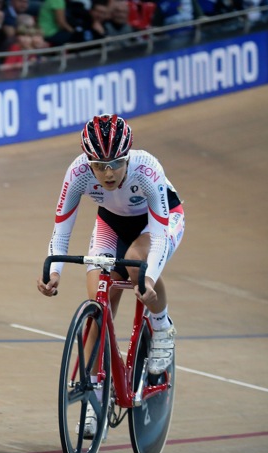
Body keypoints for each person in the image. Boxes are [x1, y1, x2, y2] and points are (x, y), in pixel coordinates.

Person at [36, 114, 185, 436]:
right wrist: (54, 271)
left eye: (116, 163)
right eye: (98, 165)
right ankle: (94, 402)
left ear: (127, 156)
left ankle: (161, 327)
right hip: (111, 222)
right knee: (97, 310)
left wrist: (146, 278)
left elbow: (158, 236)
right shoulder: (77, 173)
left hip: (159, 221)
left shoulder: (147, 169)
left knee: (134, 264)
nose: (107, 172)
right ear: (87, 161)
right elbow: (61, 229)